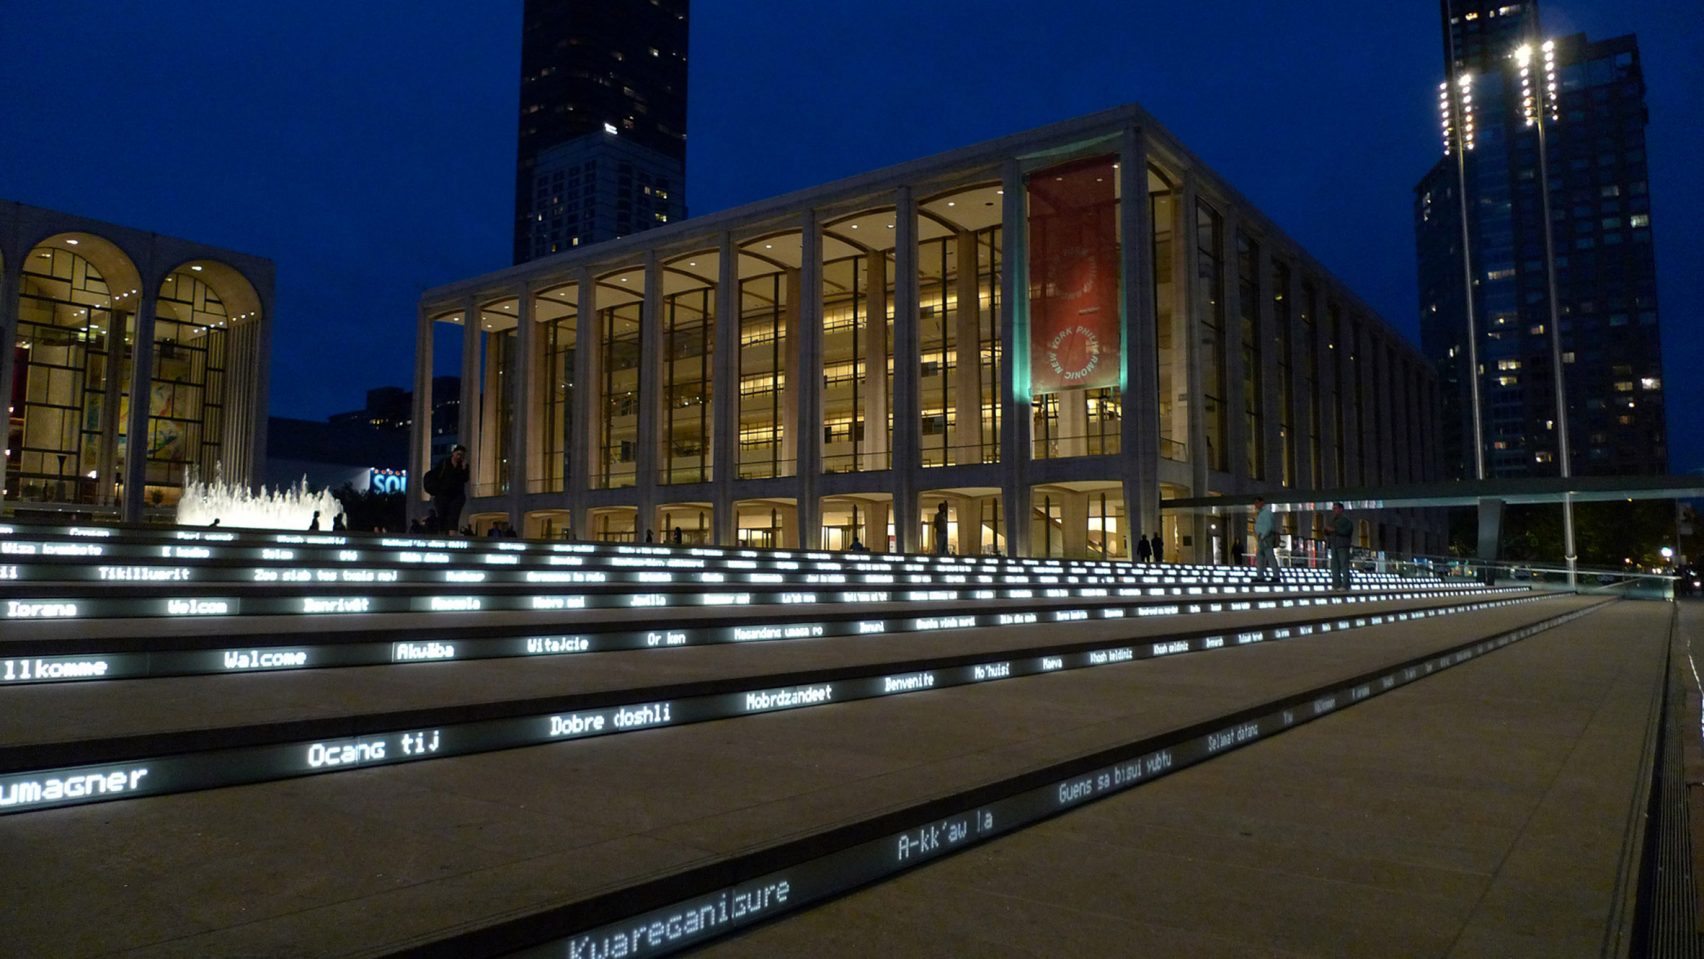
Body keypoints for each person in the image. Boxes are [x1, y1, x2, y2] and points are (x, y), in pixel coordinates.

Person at [425, 445, 469, 535]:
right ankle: (442, 537)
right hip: (442, 494)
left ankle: (452, 539)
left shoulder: (463, 465)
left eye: (462, 455)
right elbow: (435, 475)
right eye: (458, 454)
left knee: (454, 517)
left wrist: (464, 469)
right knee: (442, 517)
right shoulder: (444, 463)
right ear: (453, 453)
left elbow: (465, 479)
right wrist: (436, 490)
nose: (459, 457)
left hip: (457, 495)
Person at [1254, 496, 1280, 583]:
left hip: (1266, 538)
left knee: (1269, 557)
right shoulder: (1262, 513)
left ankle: (1276, 576)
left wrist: (1263, 535)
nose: (1255, 505)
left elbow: (1268, 526)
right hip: (1262, 537)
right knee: (1260, 558)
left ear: (1262, 503)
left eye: (1257, 503)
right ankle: (1260, 576)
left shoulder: (1266, 513)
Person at [1328, 501, 1353, 590]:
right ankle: (1336, 584)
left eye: (1335, 508)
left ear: (1341, 509)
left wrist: (1334, 530)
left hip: (1342, 545)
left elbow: (1346, 531)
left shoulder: (1346, 521)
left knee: (1344, 565)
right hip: (1334, 544)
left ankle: (1345, 585)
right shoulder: (1333, 520)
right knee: (1334, 566)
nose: (1333, 510)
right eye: (1333, 508)